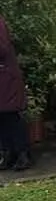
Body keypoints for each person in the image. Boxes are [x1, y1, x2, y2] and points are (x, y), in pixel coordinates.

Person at [0, 14, 30, 172]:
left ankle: (22, 154)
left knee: (11, 116)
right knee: (2, 119)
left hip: (6, 78)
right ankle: (8, 153)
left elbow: (2, 48)